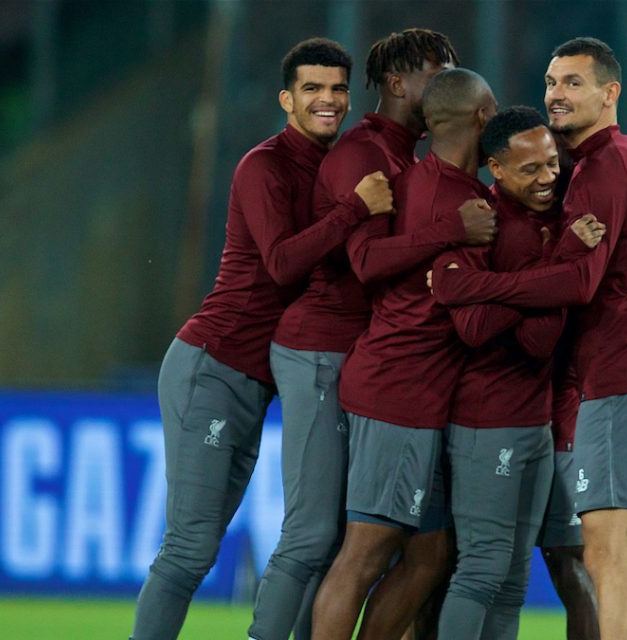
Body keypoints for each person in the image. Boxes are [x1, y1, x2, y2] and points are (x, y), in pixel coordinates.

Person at [427, 37, 627, 640]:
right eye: (551, 82)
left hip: (623, 383)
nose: (557, 94)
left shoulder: (600, 169)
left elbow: (579, 282)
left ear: (611, 92)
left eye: (573, 82)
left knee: (605, 552)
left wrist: (469, 288)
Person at [248, 28, 475, 640]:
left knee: (421, 551)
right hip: (329, 353)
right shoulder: (362, 154)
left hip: (384, 363)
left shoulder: (408, 155)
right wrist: (450, 230)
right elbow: (367, 262)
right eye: (439, 71)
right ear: (399, 83)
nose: (450, 82)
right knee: (321, 536)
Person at [129, 38, 355, 640]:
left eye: (336, 88)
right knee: (191, 547)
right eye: (312, 88)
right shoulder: (266, 165)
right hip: (215, 363)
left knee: (297, 539)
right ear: (287, 99)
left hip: (254, 380)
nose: (326, 99)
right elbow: (281, 263)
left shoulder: (334, 168)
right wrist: (355, 212)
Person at [308, 68, 498, 640]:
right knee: (365, 554)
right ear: (483, 119)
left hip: (421, 395)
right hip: (398, 392)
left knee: (429, 556)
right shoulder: (460, 206)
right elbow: (372, 265)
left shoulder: (412, 184)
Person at [433, 106, 606, 639]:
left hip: (535, 422)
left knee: (511, 579)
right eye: (530, 169)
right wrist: (562, 262)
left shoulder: (549, 220)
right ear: (496, 169)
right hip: (490, 419)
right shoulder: (485, 227)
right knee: (482, 569)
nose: (548, 178)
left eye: (552, 163)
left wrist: (527, 278)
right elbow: (528, 338)